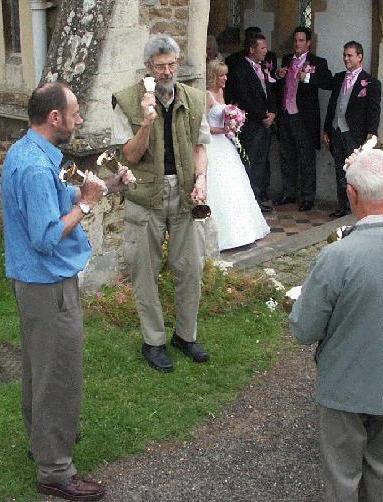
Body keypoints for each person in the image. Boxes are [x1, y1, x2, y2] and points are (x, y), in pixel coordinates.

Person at [2, 82, 135, 501]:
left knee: (39, 371)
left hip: (35, 285)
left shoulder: (28, 152)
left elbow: (60, 198)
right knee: (58, 377)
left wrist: (106, 187)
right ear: (54, 117)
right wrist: (89, 205)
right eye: (75, 113)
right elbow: (46, 237)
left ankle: (44, 445)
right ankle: (56, 471)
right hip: (48, 286)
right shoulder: (37, 167)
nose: (80, 120)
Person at [290, 148, 383, 501]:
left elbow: (303, 330)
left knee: (342, 477)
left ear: (351, 194)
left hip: (344, 387)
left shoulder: (335, 257)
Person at [111, 34, 211, 372]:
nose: (167, 71)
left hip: (184, 195)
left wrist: (201, 179)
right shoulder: (127, 101)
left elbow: (200, 148)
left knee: (191, 267)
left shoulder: (195, 99)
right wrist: (146, 123)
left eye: (171, 65)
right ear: (148, 68)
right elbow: (129, 155)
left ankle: (186, 335)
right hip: (145, 196)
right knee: (145, 271)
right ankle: (153, 341)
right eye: (160, 66)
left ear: (177, 64)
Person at [205, 59, 270, 250]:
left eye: (226, 74)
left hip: (226, 144)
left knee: (235, 184)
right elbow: (203, 126)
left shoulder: (221, 92)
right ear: (213, 76)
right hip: (214, 145)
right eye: (222, 75)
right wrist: (223, 130)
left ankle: (243, 231)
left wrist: (234, 123)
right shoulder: (207, 96)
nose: (225, 78)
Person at [275, 26, 332, 212]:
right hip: (286, 115)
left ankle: (307, 197)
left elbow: (327, 82)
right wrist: (278, 75)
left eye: (301, 41)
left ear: (308, 42)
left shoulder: (318, 62)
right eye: (295, 40)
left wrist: (307, 77)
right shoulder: (286, 60)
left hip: (304, 118)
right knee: (287, 155)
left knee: (306, 158)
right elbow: (279, 86)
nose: (297, 44)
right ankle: (288, 192)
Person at [324, 41, 381, 218]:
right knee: (340, 169)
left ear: (359, 57)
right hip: (336, 130)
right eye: (344, 55)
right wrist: (327, 128)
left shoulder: (371, 82)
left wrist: (371, 136)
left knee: (355, 171)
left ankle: (355, 208)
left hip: (355, 134)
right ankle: (342, 206)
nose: (346, 58)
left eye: (350, 55)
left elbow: (374, 111)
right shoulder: (340, 77)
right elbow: (332, 104)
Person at [225, 33, 277, 212]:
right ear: (252, 49)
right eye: (262, 48)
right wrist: (262, 116)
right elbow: (244, 97)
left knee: (260, 163)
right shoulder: (240, 69)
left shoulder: (262, 67)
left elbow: (268, 91)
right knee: (250, 162)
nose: (266, 51)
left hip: (264, 123)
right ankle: (246, 201)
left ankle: (256, 198)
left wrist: (272, 113)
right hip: (251, 125)